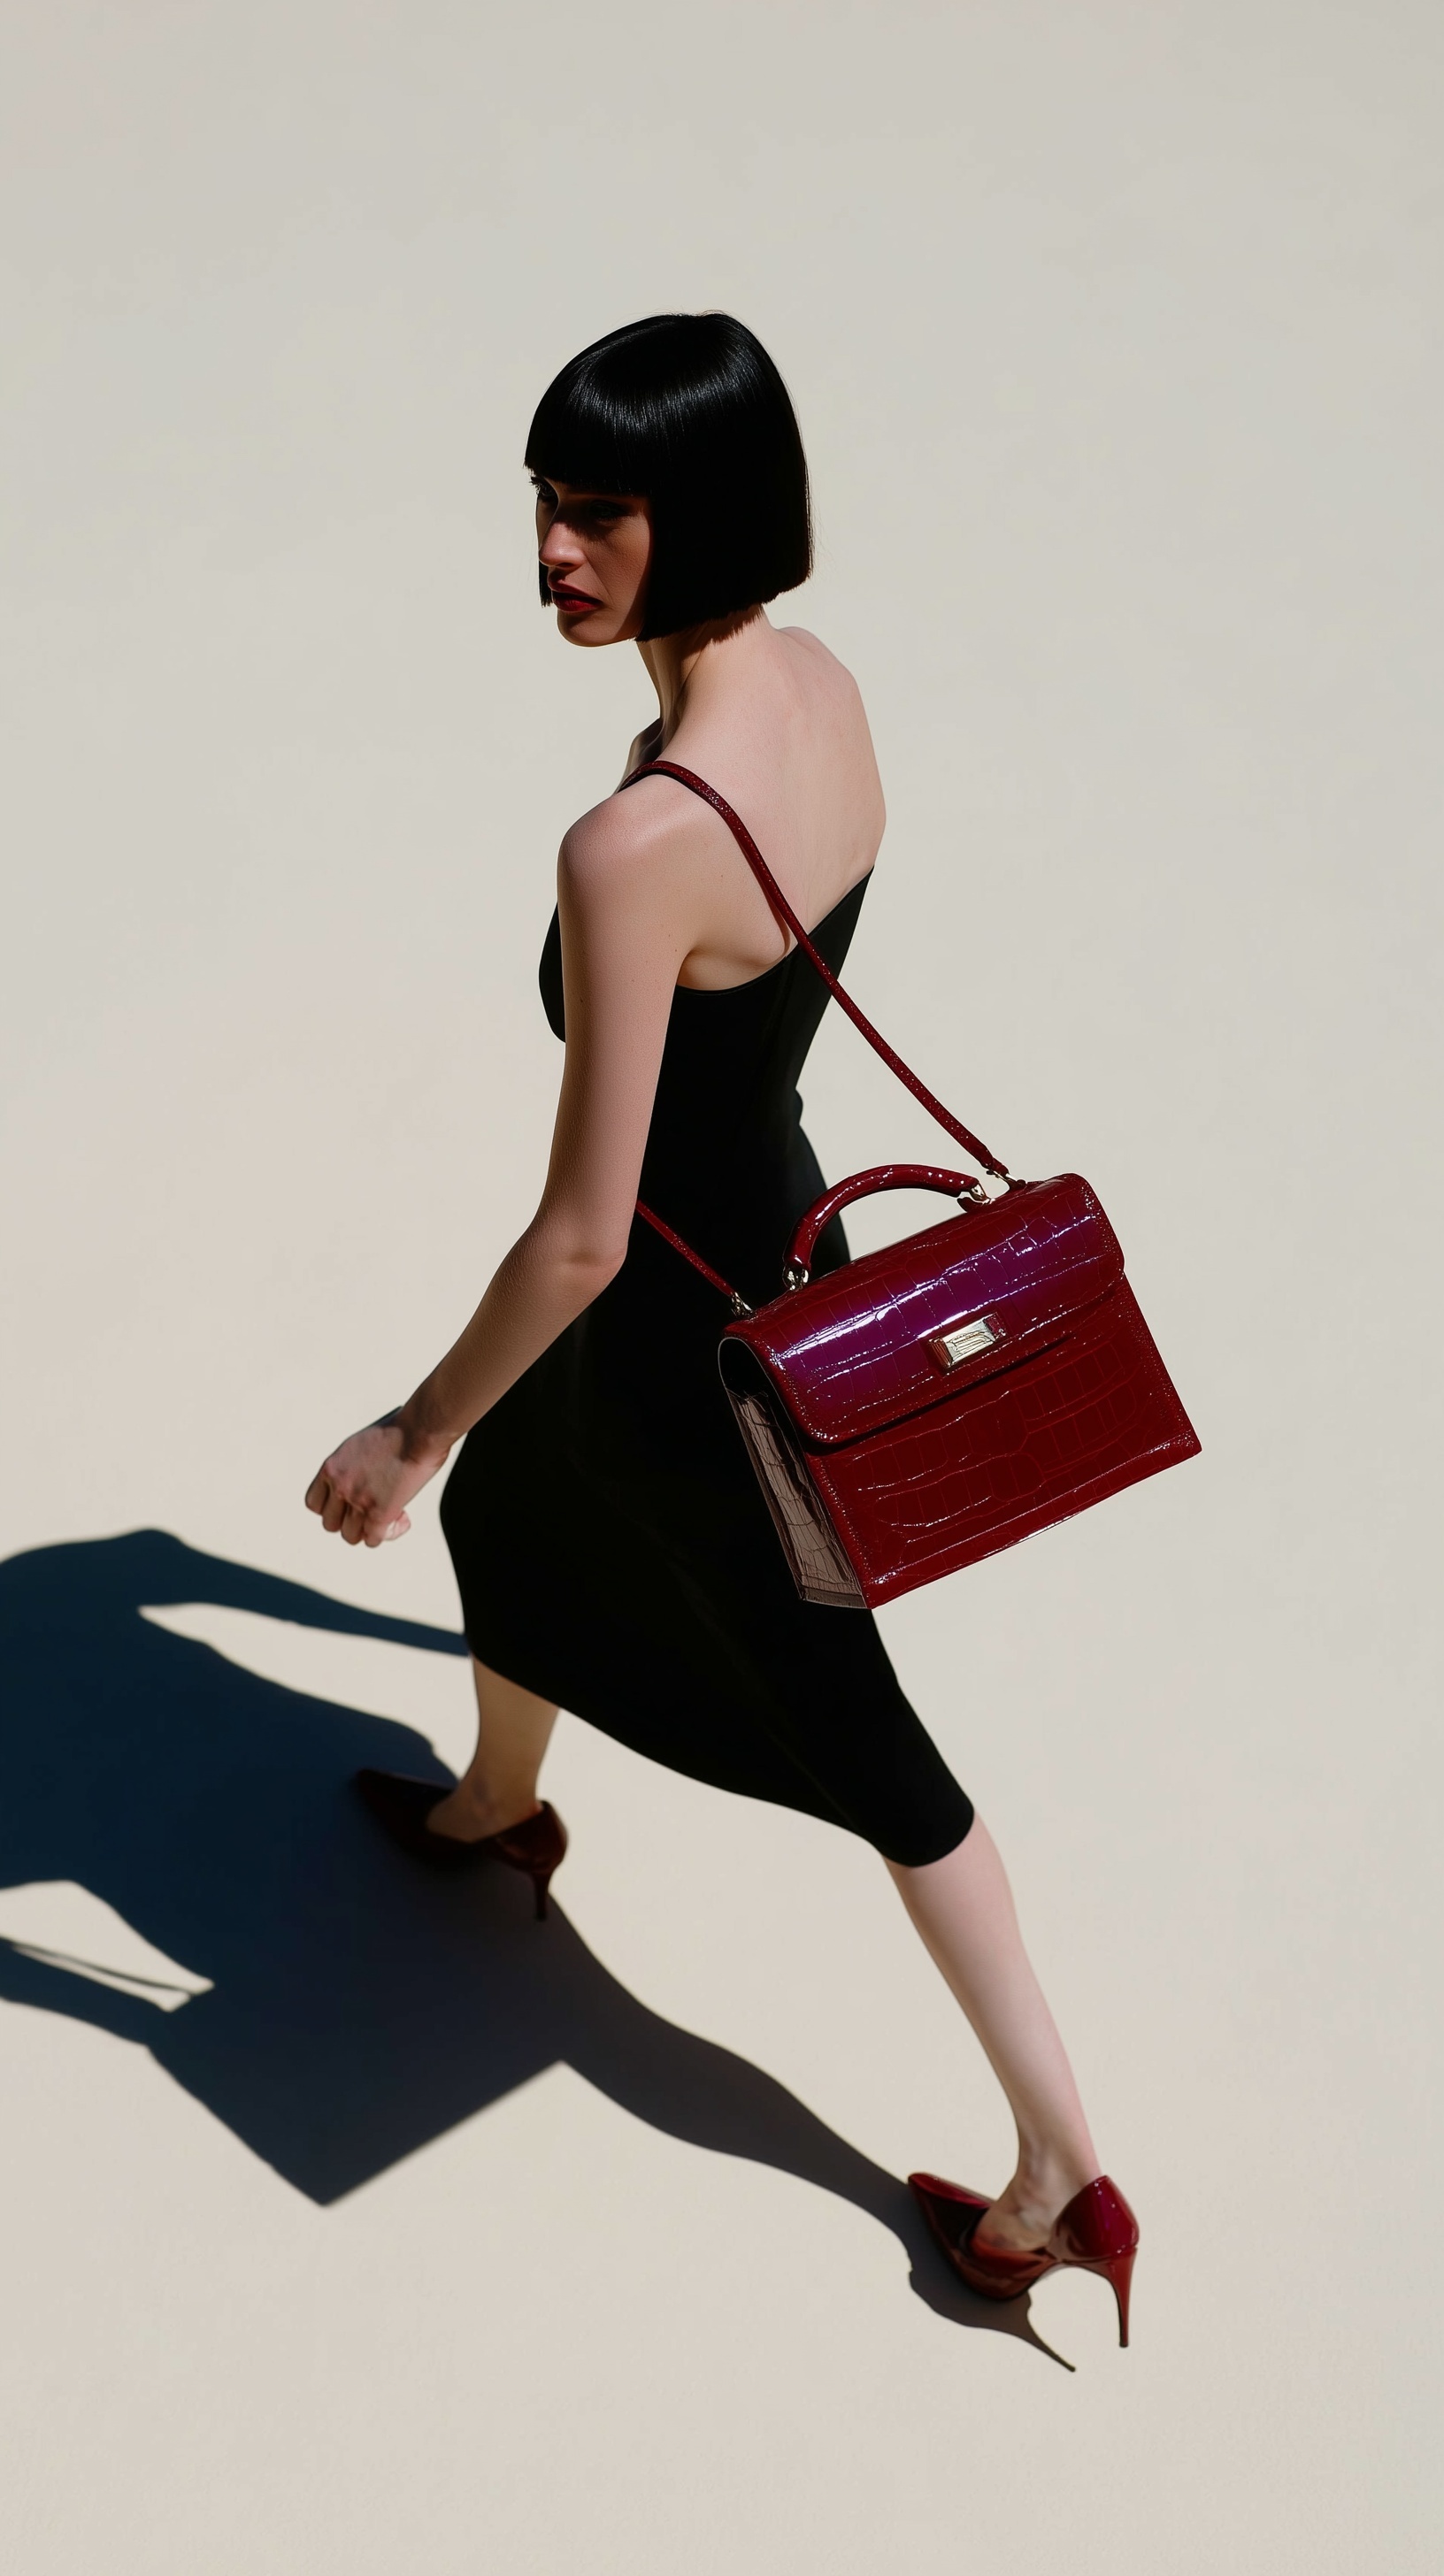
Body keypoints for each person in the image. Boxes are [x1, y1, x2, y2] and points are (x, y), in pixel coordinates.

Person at [304, 313, 1138, 2344]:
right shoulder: (822, 693)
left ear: (705, 513)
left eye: (596, 513)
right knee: (533, 1520)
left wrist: (409, 1427)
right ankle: (502, 1802)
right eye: (543, 504)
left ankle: (1060, 2171)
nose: (550, 553)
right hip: (775, 1235)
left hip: (683, 1317)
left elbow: (580, 1240)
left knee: (857, 1730)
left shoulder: (637, 839)